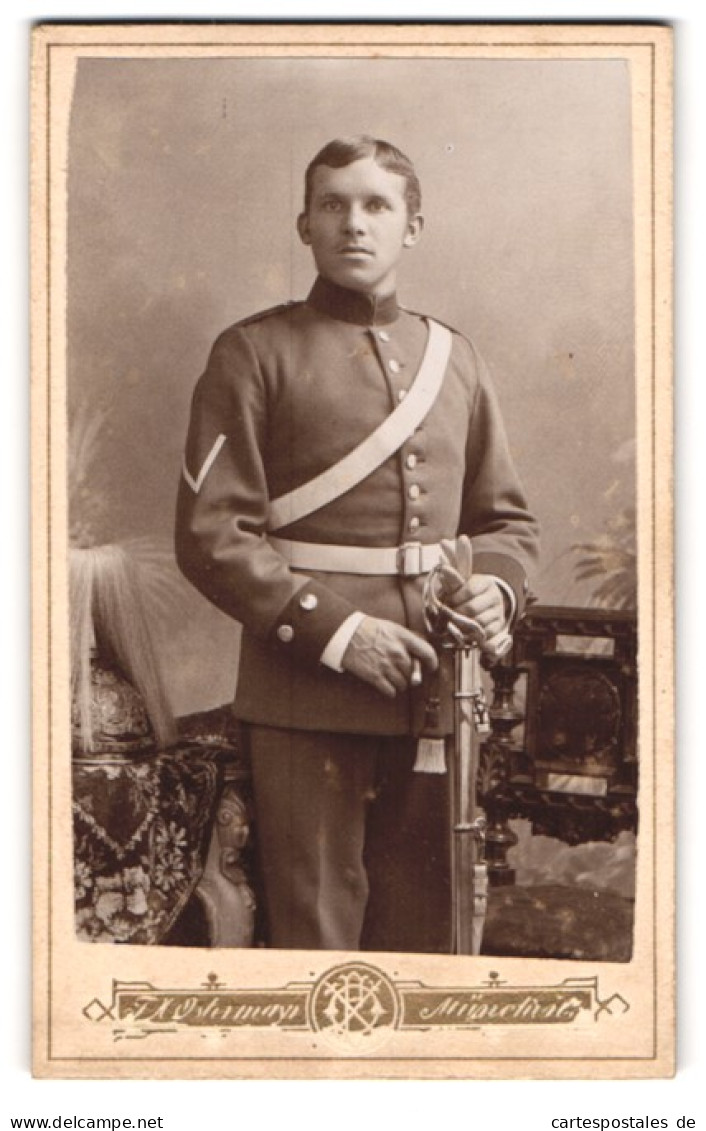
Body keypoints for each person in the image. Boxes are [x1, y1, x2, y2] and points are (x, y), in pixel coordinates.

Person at [175, 136, 539, 953]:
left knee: (427, 928)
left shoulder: (456, 360)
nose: (354, 223)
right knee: (318, 933)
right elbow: (211, 535)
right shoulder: (252, 354)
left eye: (377, 205)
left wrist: (498, 589)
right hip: (305, 692)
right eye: (333, 204)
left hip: (440, 690)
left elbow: (506, 522)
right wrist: (343, 635)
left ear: (413, 225)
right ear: (304, 224)